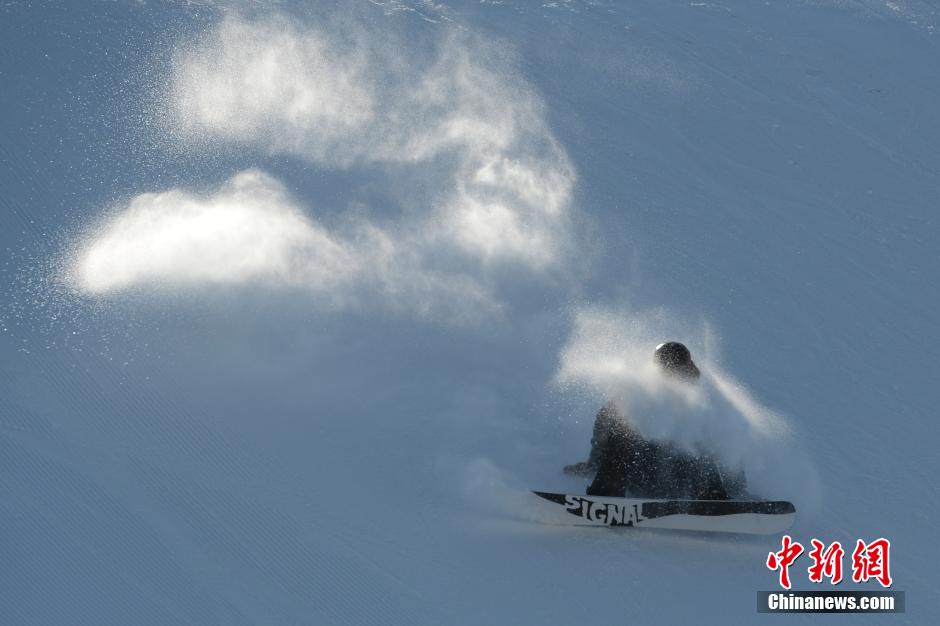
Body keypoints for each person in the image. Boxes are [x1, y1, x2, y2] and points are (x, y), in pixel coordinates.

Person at [564, 342, 746, 500]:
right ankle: (605, 497)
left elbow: (727, 443)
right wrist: (594, 464)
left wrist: (737, 489)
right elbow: (604, 429)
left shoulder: (705, 401)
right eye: (667, 370)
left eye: (678, 370)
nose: (673, 377)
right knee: (624, 430)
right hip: (643, 477)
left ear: (687, 368)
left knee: (699, 442)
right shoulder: (636, 397)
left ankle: (714, 500)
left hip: (685, 483)